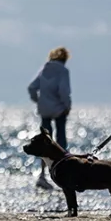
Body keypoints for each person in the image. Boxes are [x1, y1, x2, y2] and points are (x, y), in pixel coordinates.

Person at [28, 46, 72, 190]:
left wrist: (38, 101)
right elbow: (63, 91)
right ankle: (62, 173)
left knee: (44, 142)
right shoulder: (63, 70)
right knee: (60, 142)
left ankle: (42, 175)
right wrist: (67, 106)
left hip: (44, 109)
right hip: (59, 109)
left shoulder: (44, 68)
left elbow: (32, 87)